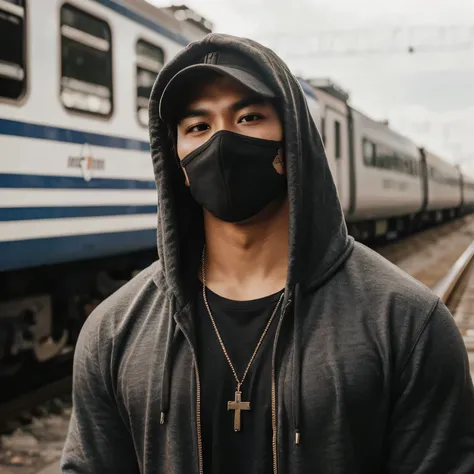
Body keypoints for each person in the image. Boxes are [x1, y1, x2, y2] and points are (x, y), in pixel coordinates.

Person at [61, 33, 474, 474]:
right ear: (176, 161)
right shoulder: (111, 332)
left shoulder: (408, 324)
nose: (221, 141)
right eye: (198, 126)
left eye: (249, 116)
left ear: (293, 141)